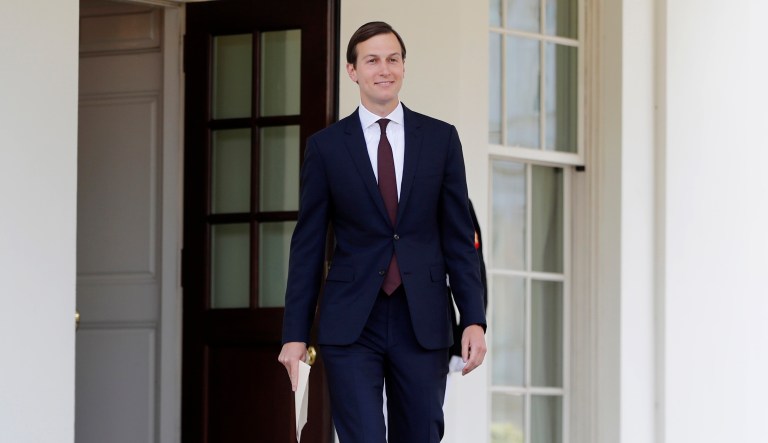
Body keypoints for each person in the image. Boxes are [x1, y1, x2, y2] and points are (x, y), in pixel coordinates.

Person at [278, 21, 487, 443]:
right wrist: (295, 335)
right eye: (372, 60)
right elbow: (308, 245)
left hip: (423, 319)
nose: (384, 69)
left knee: (421, 434)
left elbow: (459, 237)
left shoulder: (441, 139)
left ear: (404, 67)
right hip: (353, 321)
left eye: (393, 59)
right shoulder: (326, 147)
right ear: (353, 71)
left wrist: (474, 318)